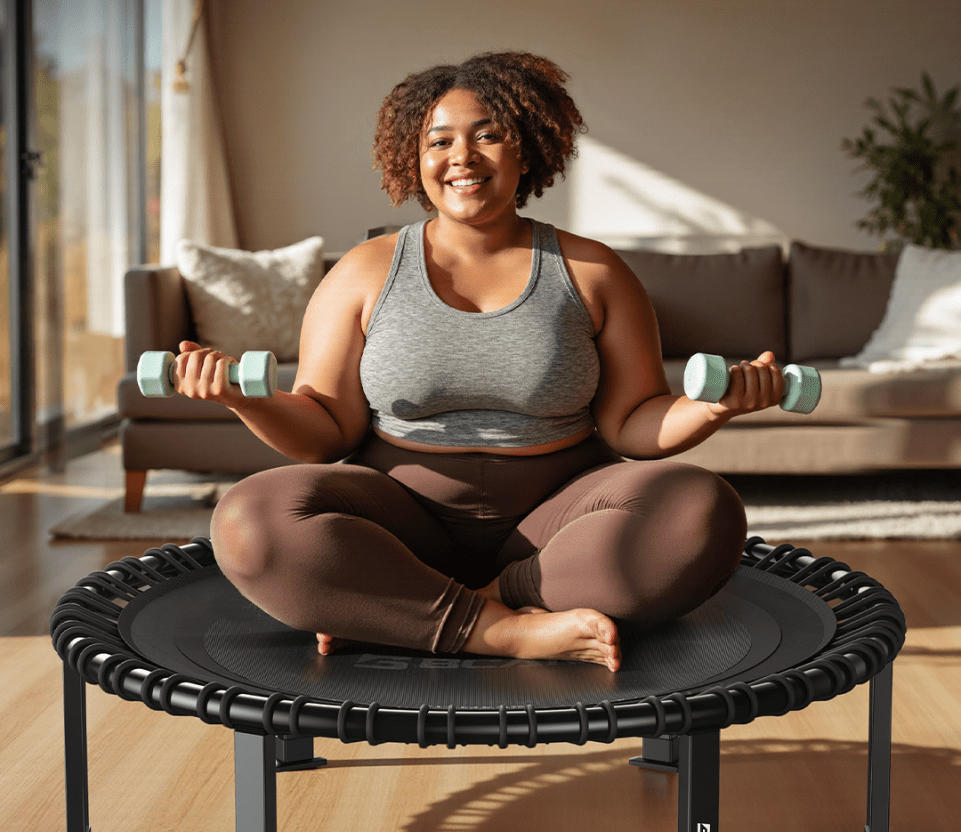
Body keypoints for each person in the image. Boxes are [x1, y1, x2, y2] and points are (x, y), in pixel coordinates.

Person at [175, 52, 782, 673]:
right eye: (440, 141)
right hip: (401, 520)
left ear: (530, 151)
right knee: (251, 520)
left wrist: (712, 407)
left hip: (559, 526)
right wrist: (243, 398)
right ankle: (501, 632)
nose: (462, 157)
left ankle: (435, 610)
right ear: (414, 158)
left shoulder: (594, 270)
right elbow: (325, 429)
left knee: (699, 509)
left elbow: (634, 422)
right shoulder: (363, 271)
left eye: (488, 135)